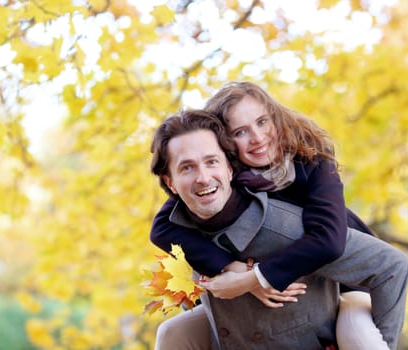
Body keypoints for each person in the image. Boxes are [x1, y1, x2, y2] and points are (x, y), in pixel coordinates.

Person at [151, 82, 391, 349]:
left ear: (275, 118)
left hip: (345, 285)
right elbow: (162, 227)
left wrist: (254, 278)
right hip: (276, 303)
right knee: (171, 332)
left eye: (262, 122)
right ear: (227, 145)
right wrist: (233, 268)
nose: (257, 137)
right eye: (241, 132)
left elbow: (329, 242)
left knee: (361, 338)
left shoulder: (312, 161)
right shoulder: (225, 179)